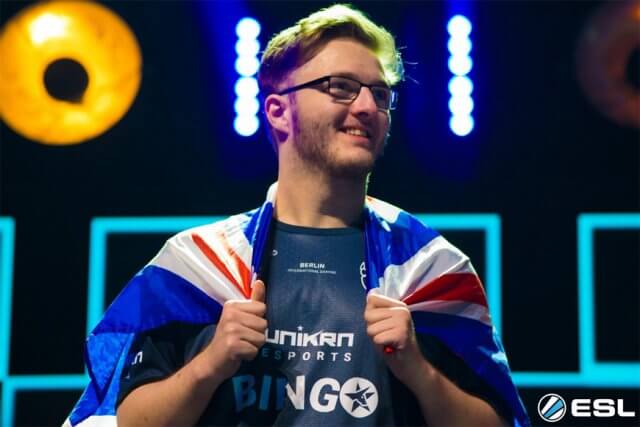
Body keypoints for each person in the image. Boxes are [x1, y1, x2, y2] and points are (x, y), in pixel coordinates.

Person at [65, 4, 529, 426]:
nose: (367, 107)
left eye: (380, 93)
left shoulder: (429, 268)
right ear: (278, 111)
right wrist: (210, 364)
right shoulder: (198, 265)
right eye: (341, 87)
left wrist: (419, 372)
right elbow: (129, 421)